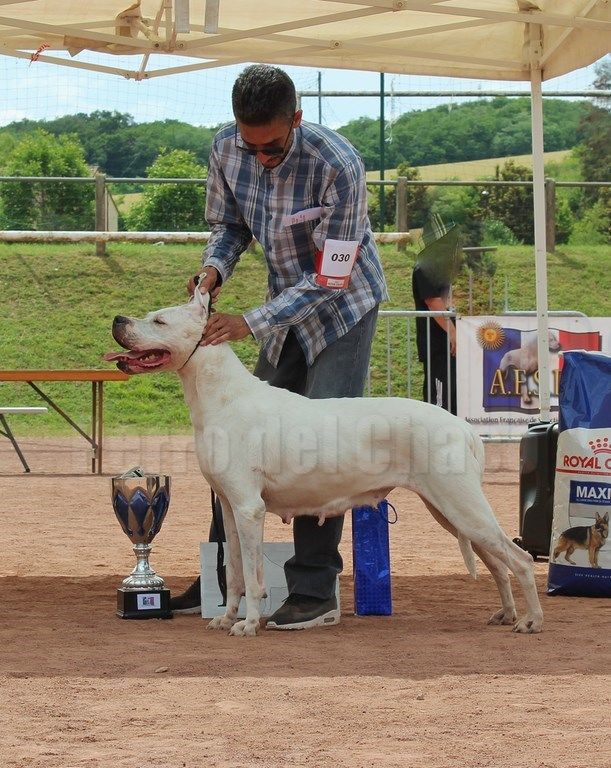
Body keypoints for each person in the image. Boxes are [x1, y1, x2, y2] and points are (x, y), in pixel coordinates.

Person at [170, 64, 388, 630]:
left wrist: (253, 322)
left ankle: (315, 592)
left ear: (296, 119)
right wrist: (213, 271)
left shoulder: (338, 164)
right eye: (251, 145)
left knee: (323, 444)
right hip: (278, 313)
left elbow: (334, 275)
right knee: (237, 445)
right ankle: (224, 578)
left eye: (272, 146)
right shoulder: (226, 148)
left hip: (343, 310)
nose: (260, 156)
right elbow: (229, 227)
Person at [411, 259, 457, 414]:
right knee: (439, 403)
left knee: (452, 398)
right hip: (436, 346)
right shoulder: (424, 267)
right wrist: (453, 332)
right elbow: (432, 301)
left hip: (448, 345)